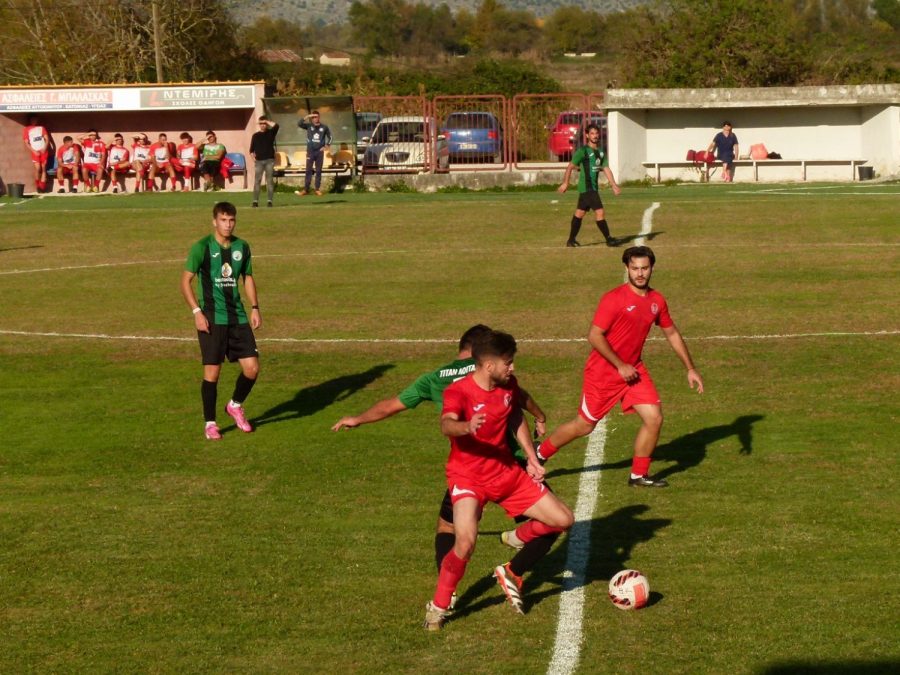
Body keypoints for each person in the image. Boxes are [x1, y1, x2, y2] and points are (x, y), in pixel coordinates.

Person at [332, 325, 554, 596]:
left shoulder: (435, 378)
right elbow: (521, 400)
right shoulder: (496, 376)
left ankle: (447, 592)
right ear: (483, 355)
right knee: (554, 521)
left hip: (468, 469)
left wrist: (358, 418)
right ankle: (513, 569)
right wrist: (540, 417)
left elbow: (392, 404)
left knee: (449, 527)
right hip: (510, 464)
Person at [424, 330, 574, 631]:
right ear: (489, 365)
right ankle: (438, 608)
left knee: (564, 519)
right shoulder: (459, 392)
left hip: (506, 472)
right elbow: (446, 425)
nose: (513, 368)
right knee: (464, 543)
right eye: (508, 362)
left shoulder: (508, 386)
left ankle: (517, 540)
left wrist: (531, 457)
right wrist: (467, 426)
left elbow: (515, 416)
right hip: (468, 477)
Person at [535, 246, 704, 488]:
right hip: (604, 374)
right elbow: (594, 336)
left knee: (654, 418)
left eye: (644, 268)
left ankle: (638, 475)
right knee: (584, 425)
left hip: (634, 371)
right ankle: (541, 452)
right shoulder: (613, 299)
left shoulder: (657, 301)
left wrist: (690, 368)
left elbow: (672, 333)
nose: (640, 273)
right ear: (626, 269)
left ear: (652, 268)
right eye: (634, 268)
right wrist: (619, 365)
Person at [180, 202, 261, 441]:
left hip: (238, 317)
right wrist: (197, 311)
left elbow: (247, 277)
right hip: (212, 319)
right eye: (223, 220)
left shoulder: (241, 247)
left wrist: (255, 307)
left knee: (252, 368)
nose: (228, 224)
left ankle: (235, 405)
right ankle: (210, 423)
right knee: (212, 373)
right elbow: (185, 282)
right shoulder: (201, 247)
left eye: (231, 220)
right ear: (214, 221)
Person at [557, 123, 621, 248]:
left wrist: (613, 184)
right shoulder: (583, 151)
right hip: (588, 188)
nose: (595, 136)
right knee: (600, 212)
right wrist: (565, 183)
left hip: (590, 188)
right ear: (587, 135)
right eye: (592, 133)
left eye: (596, 133)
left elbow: (606, 168)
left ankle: (571, 240)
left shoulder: (601, 152)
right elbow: (570, 166)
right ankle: (609, 239)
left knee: (579, 213)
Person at [295, 110, 331, 197]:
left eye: (316, 117)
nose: (315, 119)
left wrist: (326, 146)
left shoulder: (324, 127)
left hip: (319, 152)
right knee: (308, 171)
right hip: (310, 151)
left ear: (319, 117)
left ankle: (317, 189)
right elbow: (299, 123)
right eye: (313, 117)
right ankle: (306, 189)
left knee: (318, 171)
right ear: (312, 118)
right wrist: (307, 116)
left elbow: (330, 137)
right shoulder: (309, 126)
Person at [250, 116, 279, 207]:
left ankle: (269, 201)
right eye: (261, 124)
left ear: (266, 124)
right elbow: (251, 150)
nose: (262, 125)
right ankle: (255, 201)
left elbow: (276, 126)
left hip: (269, 160)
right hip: (259, 161)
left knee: (269, 181)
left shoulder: (271, 133)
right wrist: (254, 159)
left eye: (264, 124)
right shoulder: (255, 136)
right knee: (257, 181)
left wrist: (266, 120)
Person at [22, 114, 51, 192]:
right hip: (35, 152)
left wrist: (44, 148)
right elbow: (26, 142)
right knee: (38, 168)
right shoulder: (27, 129)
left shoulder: (41, 128)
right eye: (32, 120)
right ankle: (37, 185)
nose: (34, 121)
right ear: (30, 120)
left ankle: (42, 187)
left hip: (43, 151)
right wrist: (33, 151)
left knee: (44, 168)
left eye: (35, 119)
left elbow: (47, 139)